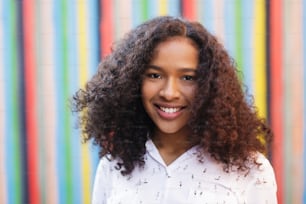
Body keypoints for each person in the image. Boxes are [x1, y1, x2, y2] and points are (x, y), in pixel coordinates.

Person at [73, 16, 277, 204]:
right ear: (133, 81)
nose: (169, 93)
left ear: (210, 86)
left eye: (188, 78)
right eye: (154, 75)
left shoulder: (250, 170)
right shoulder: (113, 165)